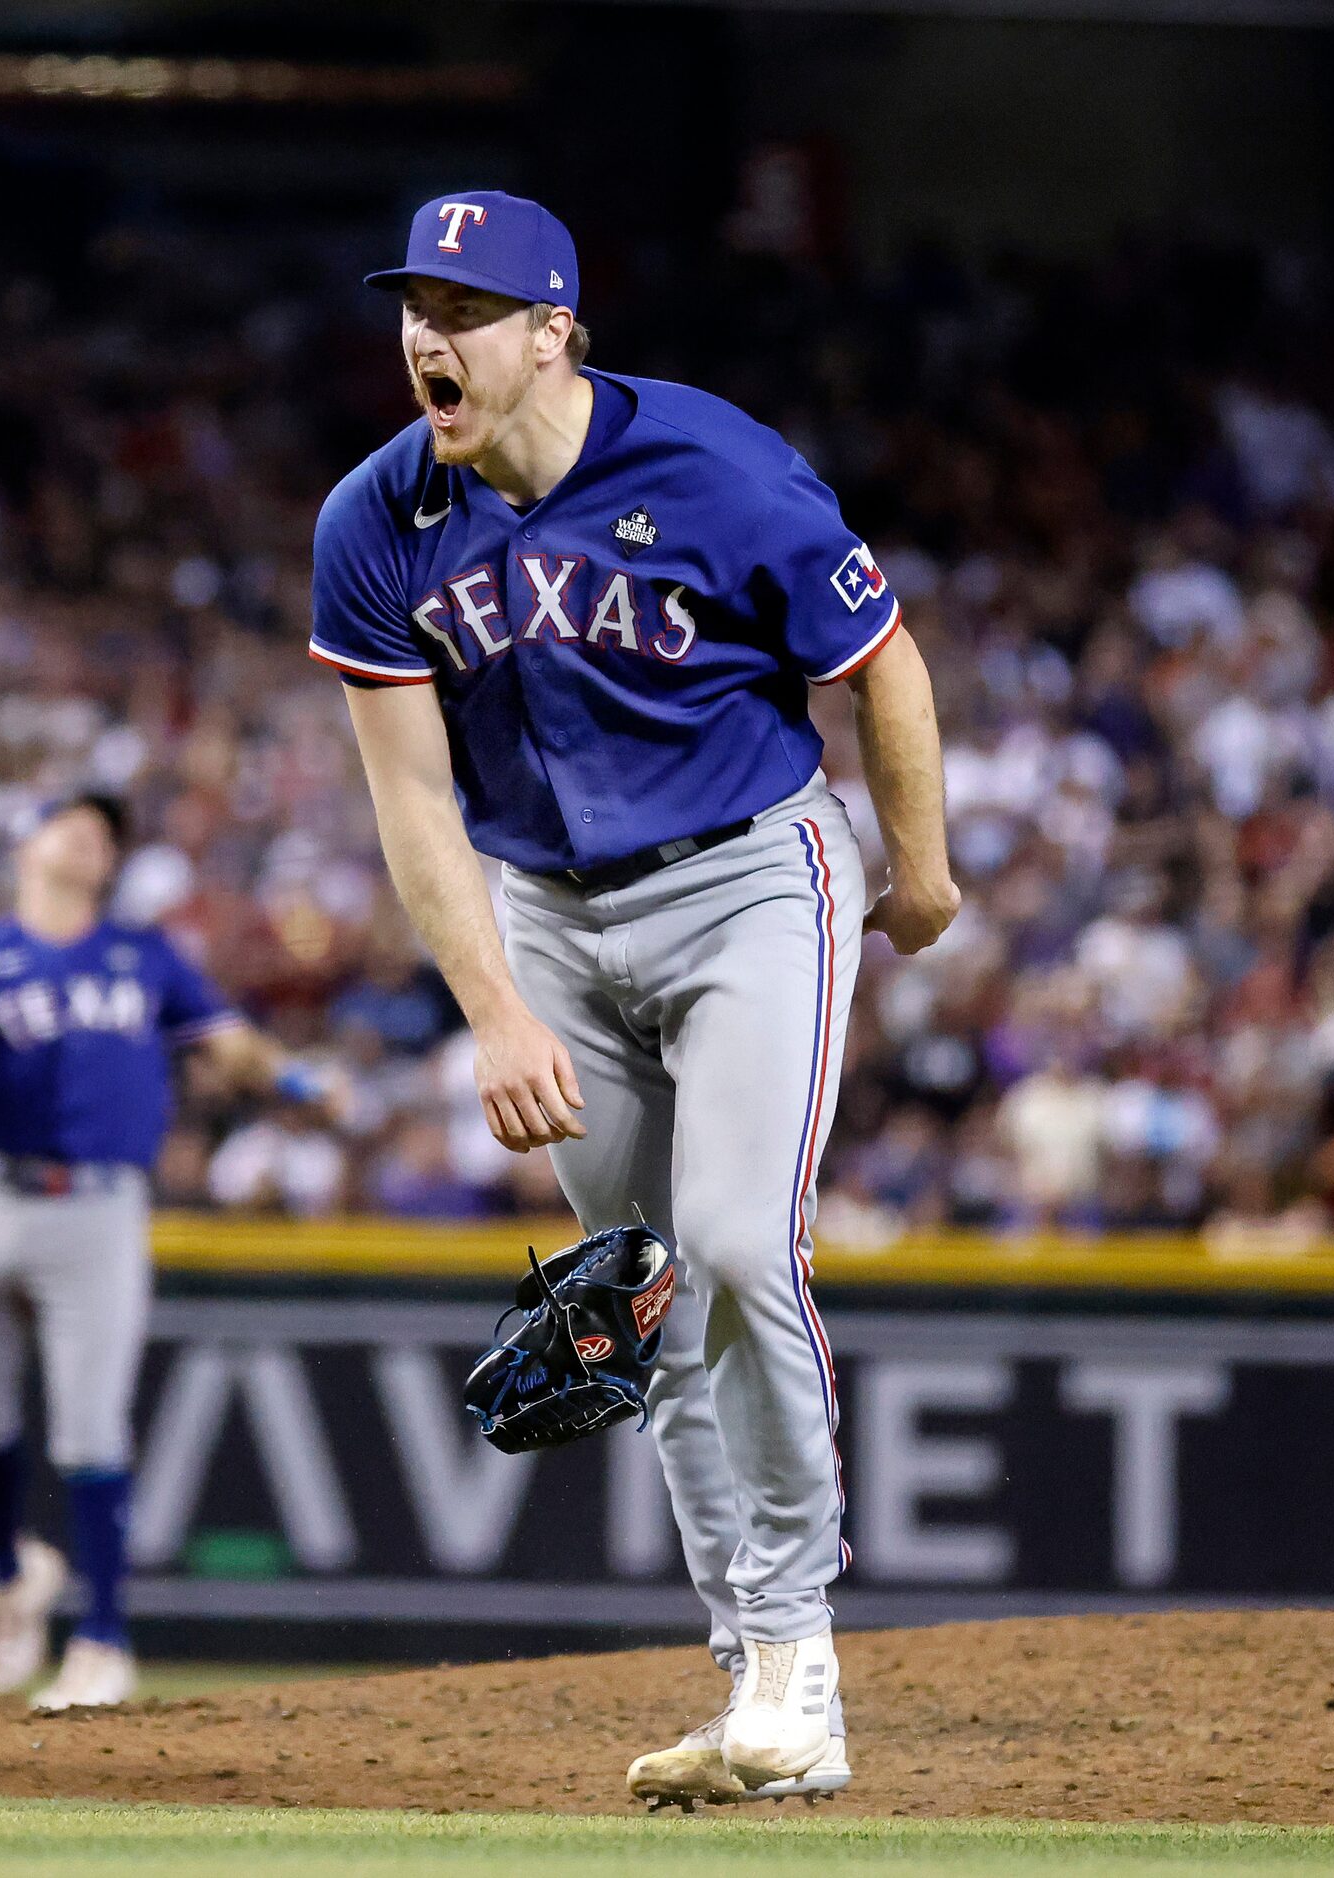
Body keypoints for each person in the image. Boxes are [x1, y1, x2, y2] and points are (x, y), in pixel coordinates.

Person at [311, 192, 959, 1805]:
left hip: (748, 874)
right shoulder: (375, 522)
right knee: (642, 1300)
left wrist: (923, 863)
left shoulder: (713, 466)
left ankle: (802, 1650)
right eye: (413, 305)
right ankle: (751, 1673)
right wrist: (490, 1006)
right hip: (547, 910)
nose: (424, 338)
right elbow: (408, 801)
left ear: (552, 334)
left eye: (465, 310)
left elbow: (876, 654)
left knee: (741, 1244)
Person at [0, 794, 329, 1709]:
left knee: (90, 1426)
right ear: (26, 841)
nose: (88, 835)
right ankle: (9, 1571)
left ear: (111, 863)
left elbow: (228, 1048)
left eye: (106, 830)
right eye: (69, 821)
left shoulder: (146, 957)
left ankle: (104, 1642)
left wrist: (301, 1079)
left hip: (102, 1206)